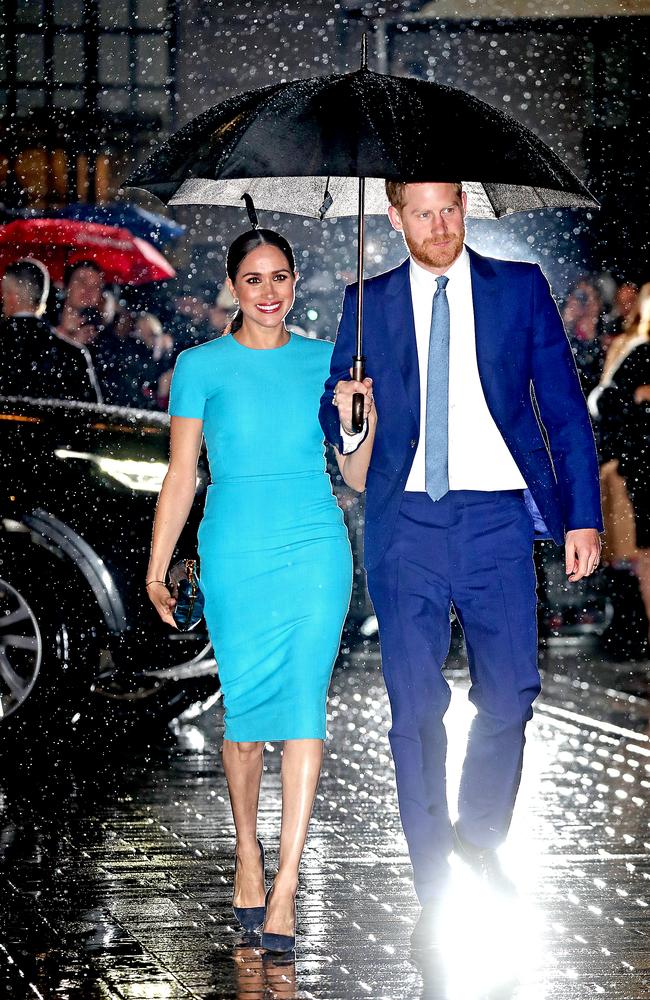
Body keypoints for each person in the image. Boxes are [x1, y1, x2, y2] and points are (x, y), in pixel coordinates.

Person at [319, 181, 602, 951]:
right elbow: (335, 408)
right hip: (404, 523)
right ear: (395, 217)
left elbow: (564, 410)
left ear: (464, 209)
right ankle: (433, 882)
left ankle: (478, 835)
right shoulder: (367, 301)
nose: (440, 226)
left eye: (451, 209)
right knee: (415, 713)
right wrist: (348, 415)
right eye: (424, 213)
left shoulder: (518, 289)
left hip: (498, 520)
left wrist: (582, 515)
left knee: (510, 694)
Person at [146, 227, 359, 953]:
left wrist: (357, 425)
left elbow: (356, 477)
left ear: (297, 282)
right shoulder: (199, 366)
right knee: (244, 719)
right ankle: (247, 850)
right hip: (234, 547)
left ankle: (289, 883)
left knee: (303, 711)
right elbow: (182, 475)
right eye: (255, 279)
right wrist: (157, 563)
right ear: (233, 288)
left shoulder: (330, 363)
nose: (270, 293)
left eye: (282, 277)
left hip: (314, 549)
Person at [0, 258, 100, 402]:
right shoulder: (73, 354)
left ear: (11, 295)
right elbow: (95, 416)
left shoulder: (6, 343)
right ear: (43, 296)